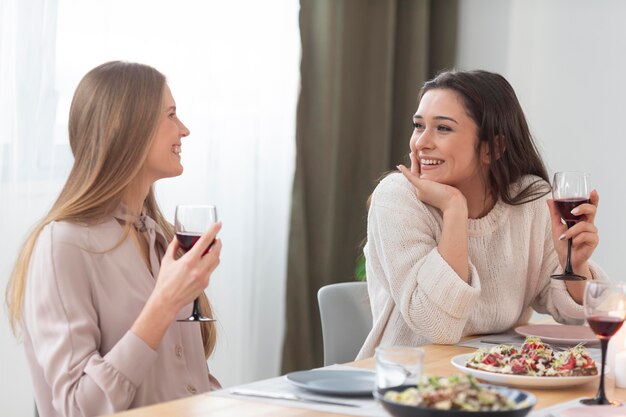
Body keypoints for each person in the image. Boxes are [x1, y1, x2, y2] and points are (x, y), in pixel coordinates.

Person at [5, 61, 223, 417]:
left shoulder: (159, 239)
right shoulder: (62, 246)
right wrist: (164, 304)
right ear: (127, 128)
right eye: (170, 115)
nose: (183, 130)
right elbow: (78, 408)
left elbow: (192, 381)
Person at [356, 69, 607, 359]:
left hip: (500, 379)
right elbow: (437, 327)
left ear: (493, 147)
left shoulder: (529, 200)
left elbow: (578, 319)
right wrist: (453, 209)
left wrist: (573, 266)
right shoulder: (398, 199)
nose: (421, 142)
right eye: (418, 125)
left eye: (443, 128)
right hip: (408, 382)